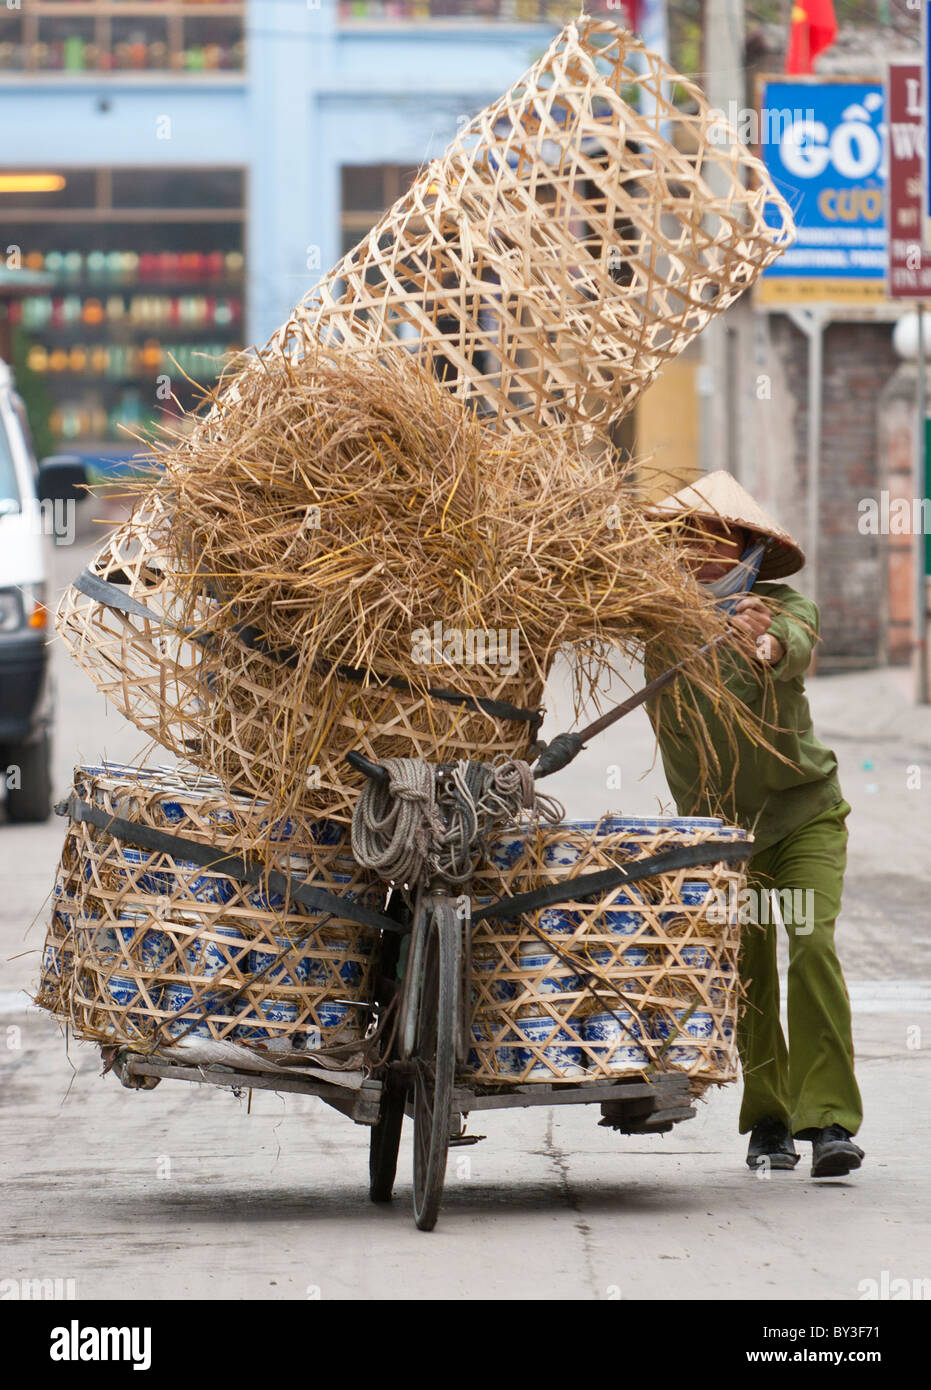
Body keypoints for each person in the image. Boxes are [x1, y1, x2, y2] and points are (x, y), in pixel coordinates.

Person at [643, 470, 865, 1179]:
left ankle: (828, 1118)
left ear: (744, 547)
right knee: (746, 976)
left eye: (712, 540)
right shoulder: (658, 622)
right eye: (681, 540)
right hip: (722, 838)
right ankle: (768, 1120)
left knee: (809, 946)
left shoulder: (777, 607)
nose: (696, 554)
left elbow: (789, 644)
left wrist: (759, 646)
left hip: (804, 817)